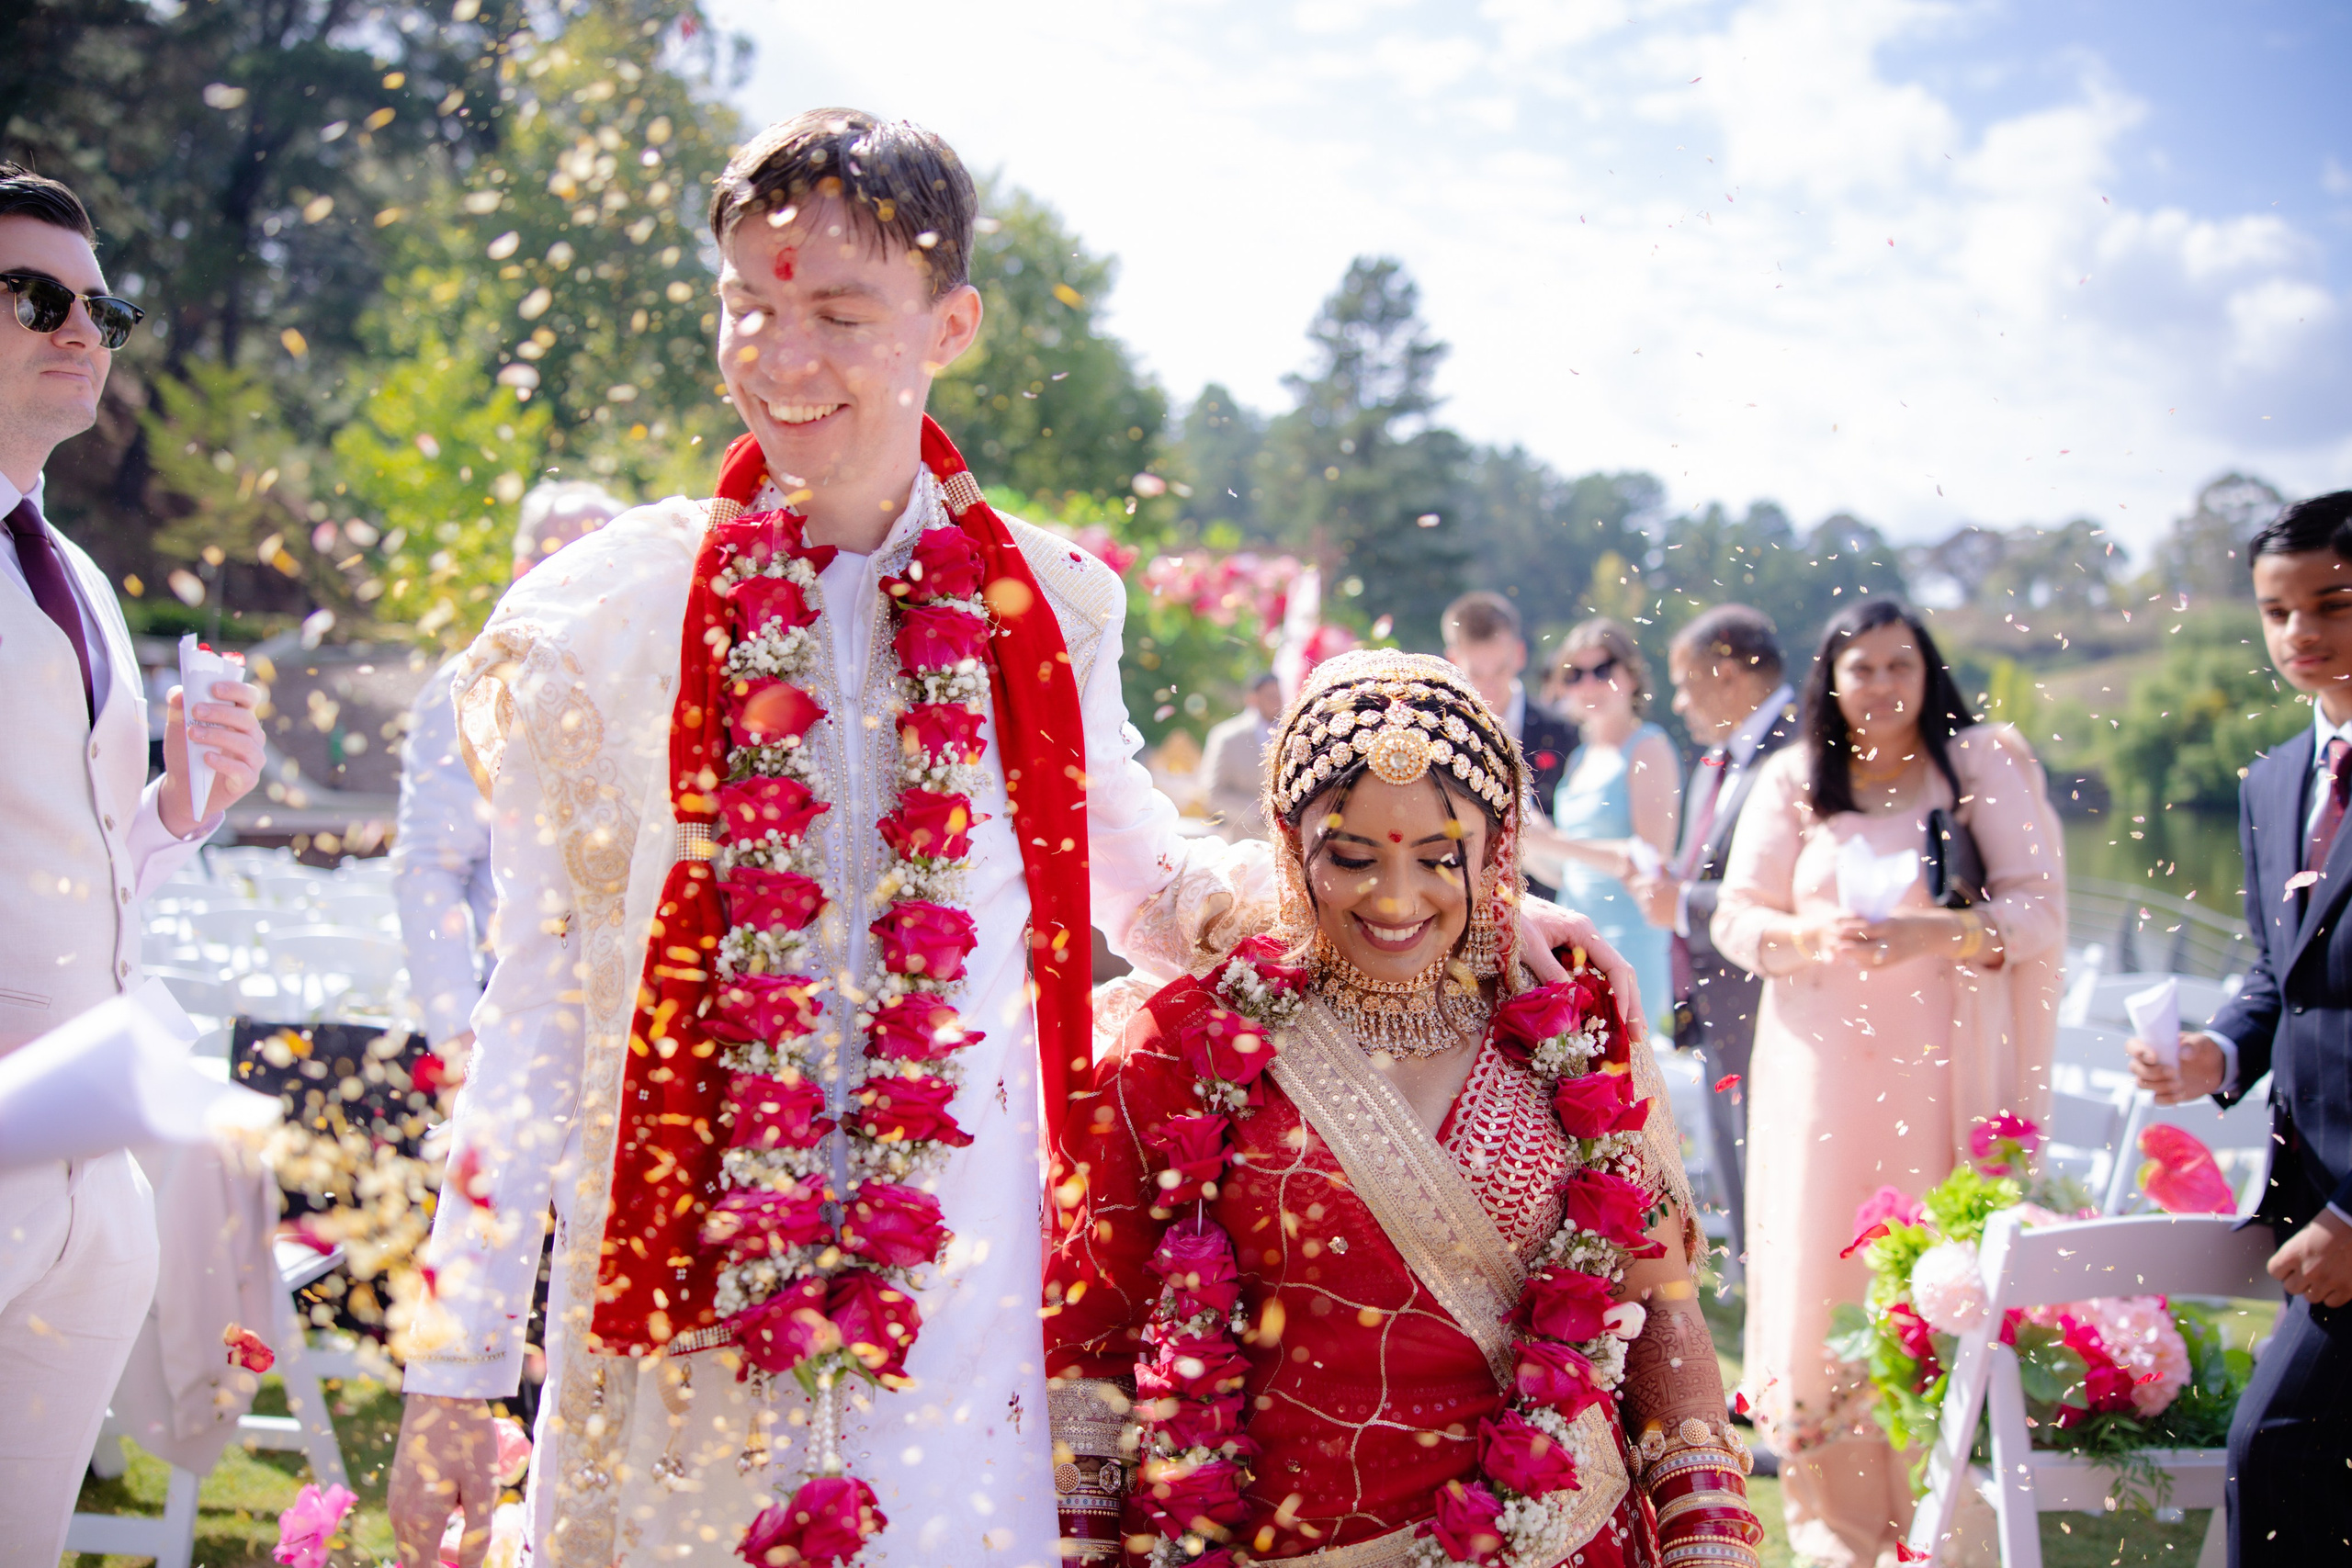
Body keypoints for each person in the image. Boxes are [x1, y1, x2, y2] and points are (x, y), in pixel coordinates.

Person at [383, 111, 1626, 1568]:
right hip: (676, 1317)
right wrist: (456, 1368)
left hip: (954, 1318)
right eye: (749, 306)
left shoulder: (1048, 606)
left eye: (839, 314)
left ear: (950, 323)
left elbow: (1151, 879)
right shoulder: (602, 630)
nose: (783, 358)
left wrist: (1457, 912)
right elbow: (528, 1009)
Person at [1045, 649, 1761, 1567]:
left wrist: (1708, 1538)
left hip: (1560, 1540)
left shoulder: (1568, 1026)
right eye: (1349, 857)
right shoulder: (1182, 1045)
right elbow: (1086, 1355)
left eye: (1437, 859)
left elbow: (1658, 1303)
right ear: (1286, 841)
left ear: (1497, 851)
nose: (1393, 897)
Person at [0, 164, 266, 1552]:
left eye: (103, 305)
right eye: (37, 295)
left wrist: (181, 802)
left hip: (84, 1172)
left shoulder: (82, 578)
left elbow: (82, 867)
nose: (82, 327)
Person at [1712, 599, 2063, 1566]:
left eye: (1898, 665)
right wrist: (1800, 938)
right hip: (1819, 1080)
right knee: (1825, 1278)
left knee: (1928, 1278)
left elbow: (2037, 910)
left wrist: (1942, 933)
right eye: (1859, 668)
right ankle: (1837, 1528)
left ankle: (1951, 1520)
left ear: (1927, 672)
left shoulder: (1977, 767)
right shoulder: (1793, 779)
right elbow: (1734, 917)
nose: (1879, 687)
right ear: (1829, 678)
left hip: (1941, 1077)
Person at [2128, 490, 2352, 1567]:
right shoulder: (2274, 782)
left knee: (2271, 1458)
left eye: (2334, 603)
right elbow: (2279, 972)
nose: (2301, 634)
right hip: (2310, 1212)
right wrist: (2219, 1052)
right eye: (2276, 612)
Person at [392, 479, 625, 1055]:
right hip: (520, 1018)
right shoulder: (475, 685)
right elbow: (429, 866)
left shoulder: (647, 684)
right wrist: (453, 1030)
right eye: (563, 557)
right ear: (525, 567)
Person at [1629, 605, 1796, 1270]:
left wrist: (1682, 905)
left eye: (1684, 680)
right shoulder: (1718, 762)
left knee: (1782, 1200)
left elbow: (1796, 891)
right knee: (1746, 1202)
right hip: (1717, 1012)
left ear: (1724, 673)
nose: (1678, 700)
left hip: (1775, 1013)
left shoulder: (1802, 752)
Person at [1523, 617, 1679, 1029]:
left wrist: (1551, 840)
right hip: (1576, 937)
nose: (1588, 685)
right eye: (1574, 675)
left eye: (1602, 671)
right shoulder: (1580, 758)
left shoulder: (1649, 746)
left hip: (1629, 939)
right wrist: (1520, 840)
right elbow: (1565, 867)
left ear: (1631, 676)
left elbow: (1651, 860)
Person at [1442, 591, 1579, 898]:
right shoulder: (1442, 733)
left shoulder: (1563, 733)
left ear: (1519, 654)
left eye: (1500, 670)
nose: (1489, 685)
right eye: (1476, 673)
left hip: (1550, 902)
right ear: (1453, 660)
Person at [1197, 671, 1283, 841]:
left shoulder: (1291, 733)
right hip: (1242, 841)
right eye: (1270, 696)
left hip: (1287, 845)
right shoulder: (1227, 737)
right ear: (1253, 698)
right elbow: (1211, 795)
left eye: (1279, 696)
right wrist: (1258, 812)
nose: (1277, 702)